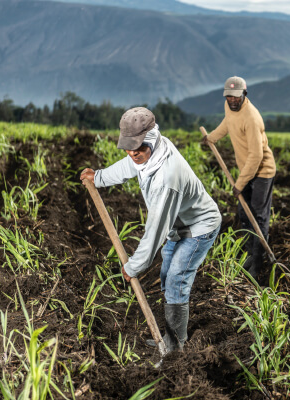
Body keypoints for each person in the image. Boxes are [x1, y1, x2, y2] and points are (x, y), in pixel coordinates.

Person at [80, 107, 221, 354]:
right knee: (167, 273)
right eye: (129, 147)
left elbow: (155, 231)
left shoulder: (167, 177)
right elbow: (129, 165)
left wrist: (133, 266)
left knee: (177, 277)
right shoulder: (145, 153)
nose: (133, 153)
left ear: (151, 139)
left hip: (199, 227)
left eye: (138, 148)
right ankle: (170, 336)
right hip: (178, 225)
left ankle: (176, 348)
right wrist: (99, 177)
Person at [201, 76, 276, 279]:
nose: (232, 100)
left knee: (259, 217)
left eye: (235, 97)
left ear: (244, 94)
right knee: (244, 215)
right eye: (228, 97)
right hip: (246, 171)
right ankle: (250, 254)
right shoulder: (230, 108)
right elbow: (228, 124)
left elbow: (256, 156)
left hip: (261, 172)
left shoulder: (251, 118)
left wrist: (240, 183)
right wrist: (212, 138)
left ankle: (258, 264)